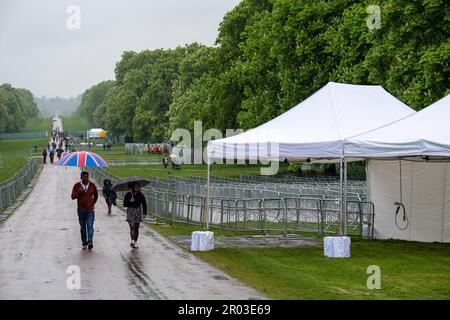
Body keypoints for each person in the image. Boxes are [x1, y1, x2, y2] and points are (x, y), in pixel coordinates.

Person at [71, 171, 98, 251]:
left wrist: (93, 203)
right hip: (81, 210)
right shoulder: (77, 186)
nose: (85, 179)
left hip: (90, 210)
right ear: (81, 177)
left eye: (87, 177)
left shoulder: (92, 185)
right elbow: (72, 196)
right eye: (84, 177)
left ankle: (90, 242)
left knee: (90, 226)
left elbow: (96, 195)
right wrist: (79, 192)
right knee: (83, 227)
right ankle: (84, 242)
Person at [123, 182, 147, 249]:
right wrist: (130, 201)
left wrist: (144, 213)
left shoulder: (141, 195)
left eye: (138, 187)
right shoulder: (128, 194)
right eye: (135, 187)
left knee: (136, 228)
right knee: (132, 226)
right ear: (133, 187)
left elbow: (144, 204)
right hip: (130, 211)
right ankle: (132, 241)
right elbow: (124, 204)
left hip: (138, 211)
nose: (136, 188)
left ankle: (136, 242)